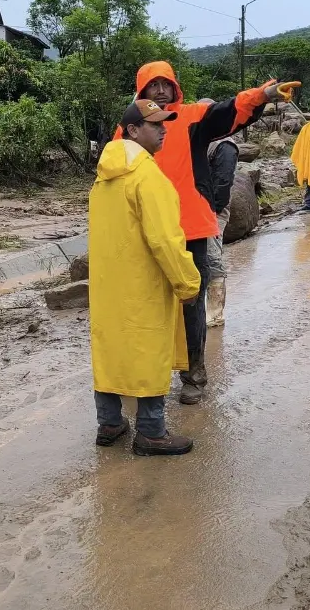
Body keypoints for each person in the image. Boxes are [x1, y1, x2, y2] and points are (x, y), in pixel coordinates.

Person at [118, 61, 299, 404]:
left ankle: (193, 375)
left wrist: (261, 95)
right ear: (142, 91)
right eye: (152, 85)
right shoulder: (130, 126)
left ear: (175, 88)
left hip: (189, 227)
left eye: (166, 84)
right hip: (143, 231)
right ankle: (145, 374)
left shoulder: (190, 117)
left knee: (190, 303)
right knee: (144, 305)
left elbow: (228, 111)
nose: (160, 90)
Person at [90, 100, 201, 456]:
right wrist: (187, 283)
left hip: (109, 288)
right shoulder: (147, 177)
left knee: (110, 353)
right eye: (155, 124)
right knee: (149, 352)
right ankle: (151, 432)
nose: (164, 129)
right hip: (145, 286)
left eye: (165, 123)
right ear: (133, 130)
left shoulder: (103, 177)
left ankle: (110, 424)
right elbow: (166, 240)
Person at [205, 132, 239, 328]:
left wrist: (213, 208)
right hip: (196, 209)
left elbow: (223, 182)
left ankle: (216, 312)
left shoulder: (223, 145)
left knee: (212, 258)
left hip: (212, 211)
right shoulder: (203, 140)